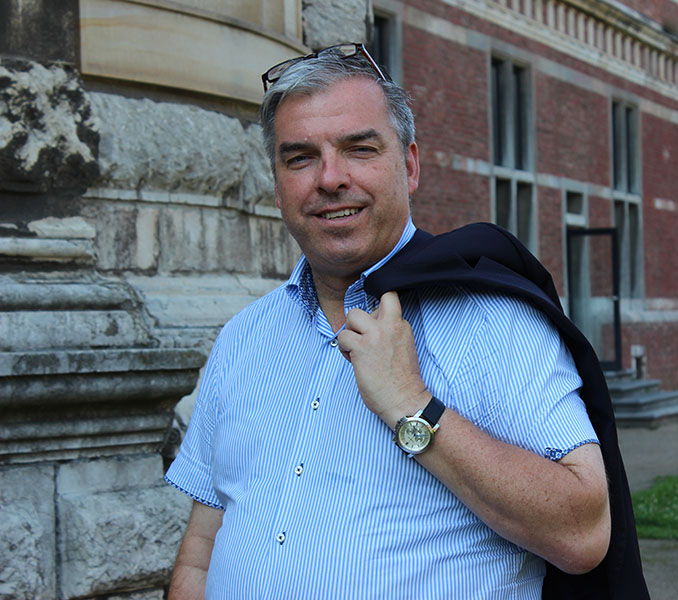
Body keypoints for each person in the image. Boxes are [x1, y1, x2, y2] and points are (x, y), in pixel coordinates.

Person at [165, 43, 620, 599]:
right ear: (277, 185)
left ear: (409, 165)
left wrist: (412, 405)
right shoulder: (243, 338)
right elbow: (201, 552)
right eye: (300, 158)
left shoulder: (492, 320)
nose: (330, 178)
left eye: (359, 149)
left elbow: (583, 531)